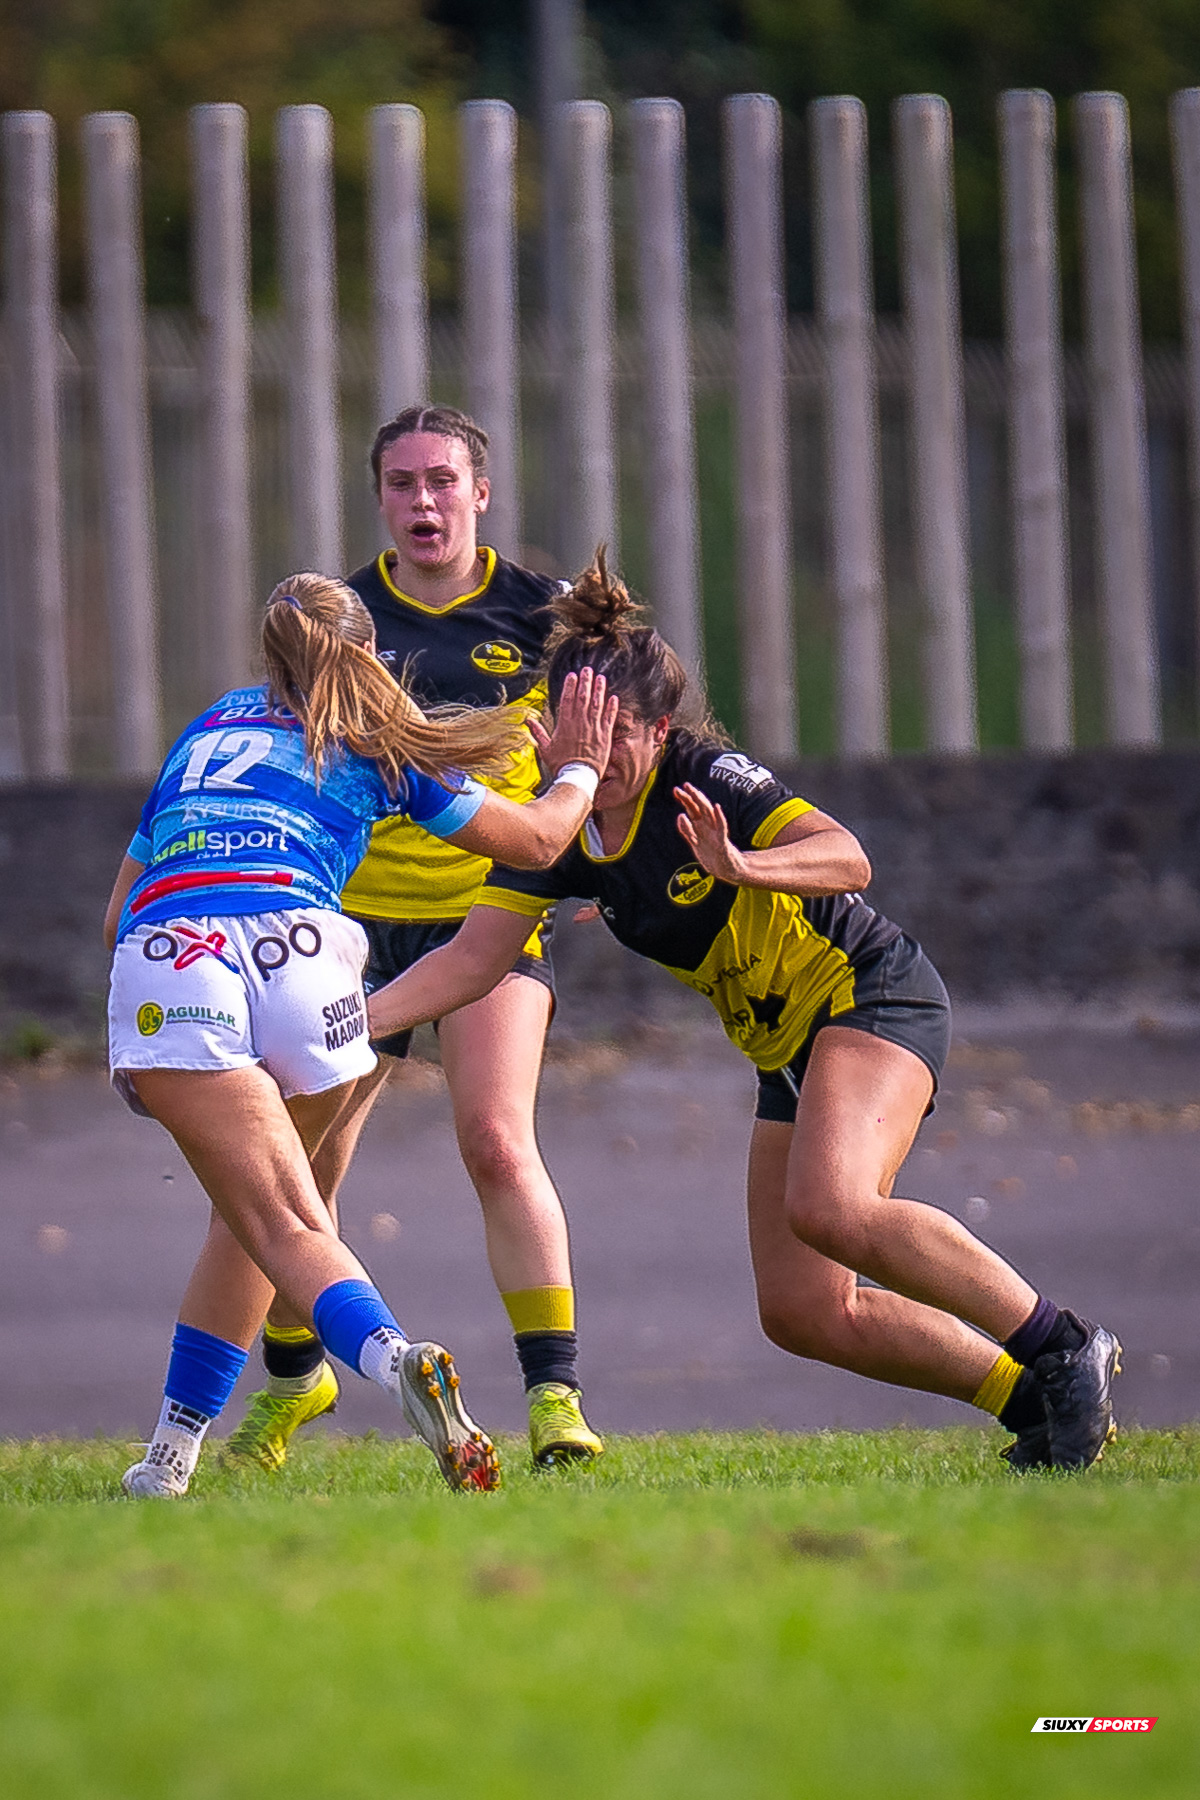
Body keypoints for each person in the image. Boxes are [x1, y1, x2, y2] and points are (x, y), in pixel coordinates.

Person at [364, 553, 1123, 1473]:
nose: (589, 762)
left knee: (833, 1207)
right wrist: (347, 1024)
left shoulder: (704, 775)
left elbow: (847, 858)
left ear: (654, 726)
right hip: (786, 1047)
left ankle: (1062, 1345)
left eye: (611, 738)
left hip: (868, 993)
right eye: (572, 736)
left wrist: (748, 867)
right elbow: (473, 960)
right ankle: (1032, 1399)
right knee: (804, 1311)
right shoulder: (557, 821)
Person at [106, 571, 615, 1498]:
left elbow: (116, 918)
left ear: (270, 656)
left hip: (176, 948)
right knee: (280, 1215)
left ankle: (378, 1362)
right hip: (310, 959)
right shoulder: (382, 745)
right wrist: (577, 765)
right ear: (371, 655)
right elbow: (540, 842)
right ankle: (169, 1463)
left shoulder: (212, 723)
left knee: (263, 1213)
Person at [223, 405, 608, 1475]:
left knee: (493, 1138)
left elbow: (619, 743)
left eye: (443, 481)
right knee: (302, 1162)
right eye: (403, 484)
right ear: (379, 497)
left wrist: (586, 854)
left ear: (482, 492)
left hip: (489, 906)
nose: (424, 502)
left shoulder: (548, 616)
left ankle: (556, 1401)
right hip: (347, 928)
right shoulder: (342, 623)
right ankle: (299, 1384)